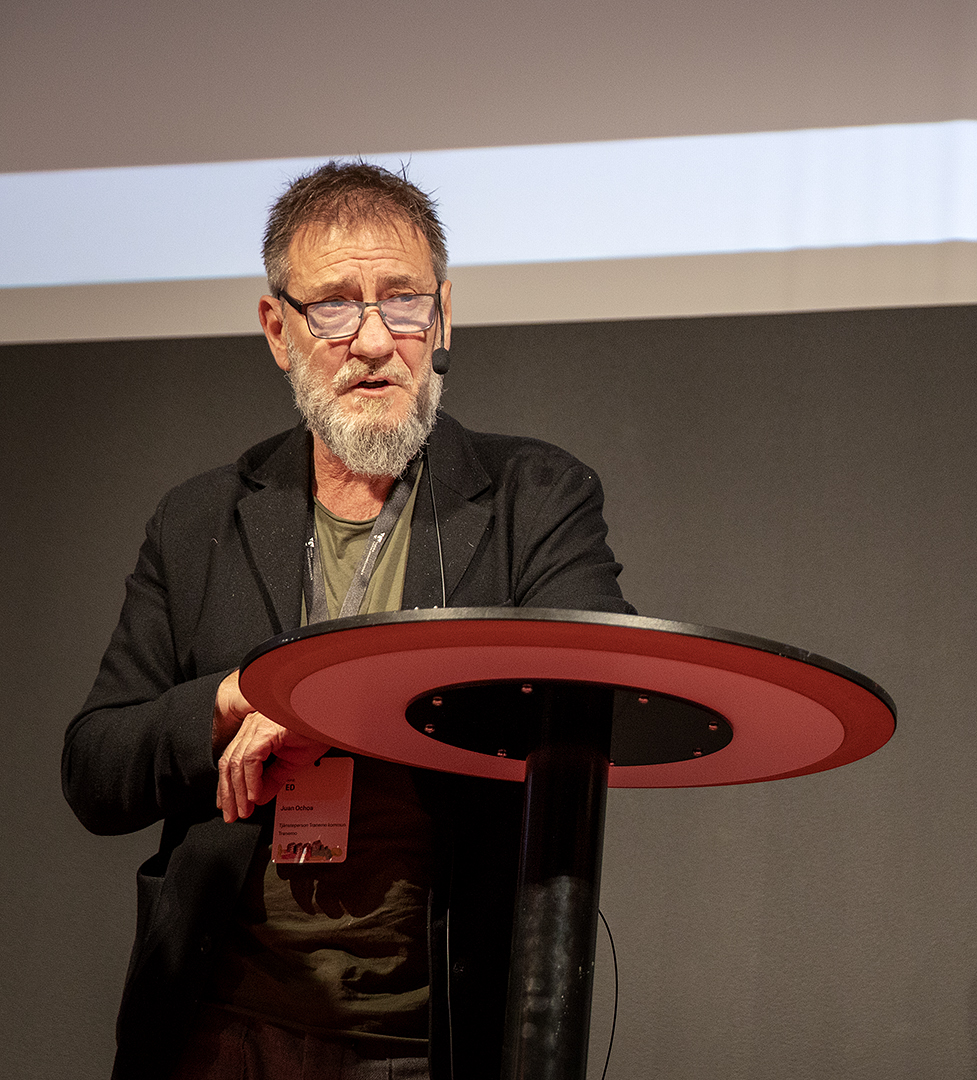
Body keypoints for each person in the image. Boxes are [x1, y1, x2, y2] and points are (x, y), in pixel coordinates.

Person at [63, 161, 634, 1080]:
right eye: (333, 306)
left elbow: (597, 690)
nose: (373, 340)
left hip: (432, 1037)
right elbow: (95, 768)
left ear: (443, 317)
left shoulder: (534, 497)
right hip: (218, 1027)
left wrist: (329, 703)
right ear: (277, 330)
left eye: (402, 300)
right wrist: (233, 698)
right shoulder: (200, 519)